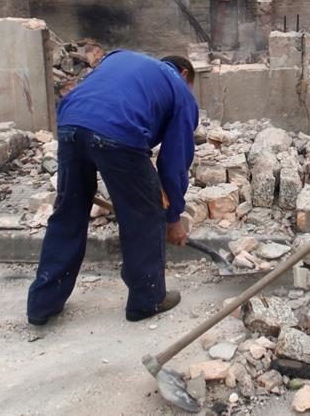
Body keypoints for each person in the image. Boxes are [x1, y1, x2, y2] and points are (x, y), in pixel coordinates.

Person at [27, 51, 199, 325]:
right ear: (185, 74)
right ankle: (148, 299)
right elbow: (175, 159)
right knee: (144, 216)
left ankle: (42, 304)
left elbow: (91, 95)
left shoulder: (119, 58)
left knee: (68, 214)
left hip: (71, 124)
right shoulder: (179, 88)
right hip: (119, 132)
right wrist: (172, 216)